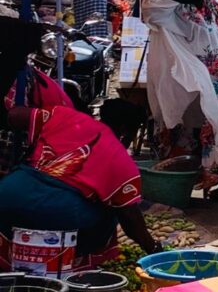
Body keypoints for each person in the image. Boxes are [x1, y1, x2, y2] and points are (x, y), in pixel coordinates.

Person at [0, 104, 161, 272]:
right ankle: (74, 264)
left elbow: (15, 115)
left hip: (10, 191)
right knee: (111, 212)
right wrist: (153, 248)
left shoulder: (66, 117)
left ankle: (9, 263)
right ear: (125, 130)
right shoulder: (121, 160)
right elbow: (130, 218)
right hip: (58, 210)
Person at [142, 0, 218, 200]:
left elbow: (149, 12)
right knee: (214, 122)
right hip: (217, 69)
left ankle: (179, 182)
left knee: (184, 125)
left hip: (190, 74)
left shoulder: (166, 6)